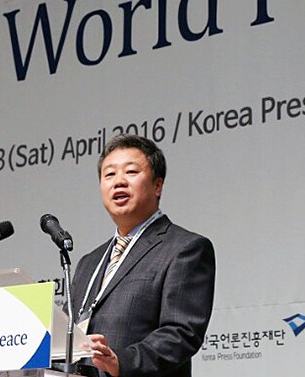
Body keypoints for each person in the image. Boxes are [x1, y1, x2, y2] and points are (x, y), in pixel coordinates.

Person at [71, 134, 216, 377]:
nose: (118, 182)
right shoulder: (89, 262)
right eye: (109, 175)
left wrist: (122, 362)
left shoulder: (185, 248)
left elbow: (181, 333)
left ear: (157, 185)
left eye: (130, 172)